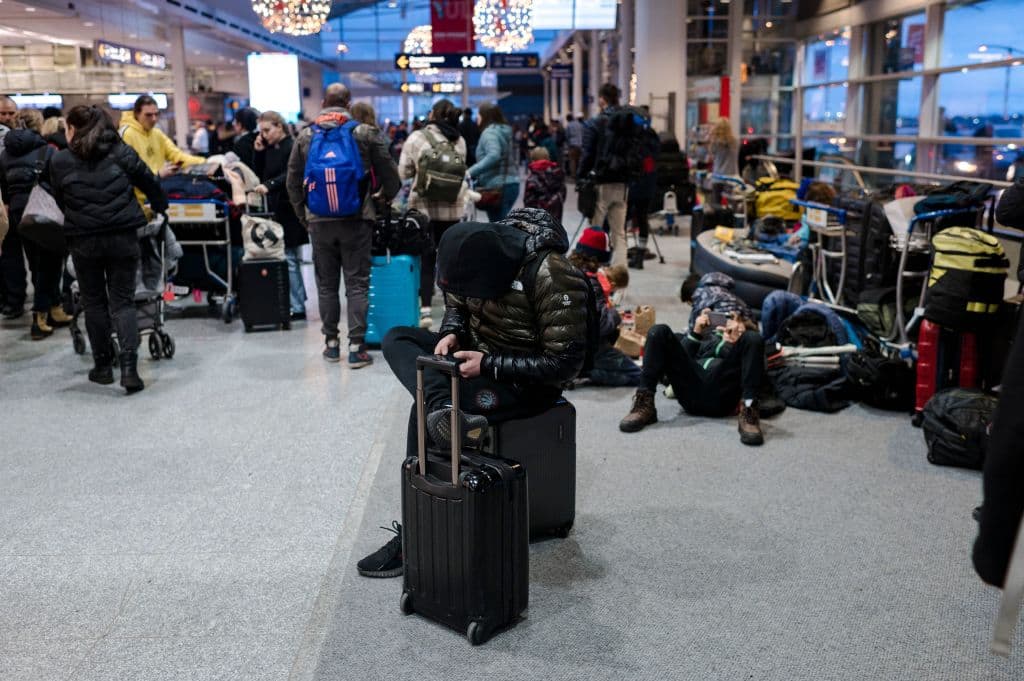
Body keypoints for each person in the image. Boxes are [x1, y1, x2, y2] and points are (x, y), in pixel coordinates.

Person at [356, 208, 590, 578]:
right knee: (397, 338)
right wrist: (451, 331)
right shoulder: (475, 252)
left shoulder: (552, 274)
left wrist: (489, 365)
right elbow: (457, 304)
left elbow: (565, 365)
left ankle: (417, 534)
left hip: (524, 384)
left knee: (421, 412)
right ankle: (445, 408)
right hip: (474, 359)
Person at [49, 105, 168, 394]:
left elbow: (58, 196)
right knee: (123, 302)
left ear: (74, 128)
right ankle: (129, 370)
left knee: (93, 303)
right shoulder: (121, 151)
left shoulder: (61, 160)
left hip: (84, 240)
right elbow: (151, 183)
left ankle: (103, 367)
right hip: (122, 237)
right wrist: (159, 207)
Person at [286, 85, 401, 368]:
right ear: (348, 104)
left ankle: (331, 344)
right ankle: (357, 347)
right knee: (357, 283)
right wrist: (381, 200)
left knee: (325, 286)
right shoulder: (363, 133)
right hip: (357, 220)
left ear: (323, 102)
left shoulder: (305, 135)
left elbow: (292, 182)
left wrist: (305, 216)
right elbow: (392, 178)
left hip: (319, 222)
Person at [618, 308, 766, 446]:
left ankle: (749, 412)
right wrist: (696, 333)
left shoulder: (745, 345)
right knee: (658, 331)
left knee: (753, 338)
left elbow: (757, 371)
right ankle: (644, 405)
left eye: (737, 326)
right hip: (691, 388)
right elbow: (676, 364)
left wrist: (734, 342)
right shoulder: (706, 339)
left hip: (724, 392)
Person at [397, 99, 470, 329]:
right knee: (449, 259)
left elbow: (403, 172)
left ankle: (426, 310)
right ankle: (454, 309)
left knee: (426, 259)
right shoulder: (460, 140)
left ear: (433, 115)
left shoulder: (417, 138)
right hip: (453, 208)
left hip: (424, 209)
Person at [0, 109, 71, 337]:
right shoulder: (47, 151)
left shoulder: (6, 155)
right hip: (43, 212)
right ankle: (39, 317)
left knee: (35, 264)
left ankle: (53, 308)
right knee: (50, 264)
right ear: (39, 125)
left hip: (19, 214)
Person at [253, 110, 308, 321]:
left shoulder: (292, 146)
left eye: (267, 130)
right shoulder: (269, 148)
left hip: (290, 210)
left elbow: (291, 174)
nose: (264, 135)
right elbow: (261, 175)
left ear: (279, 126)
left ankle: (297, 305)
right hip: (277, 210)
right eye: (262, 131)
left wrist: (270, 185)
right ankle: (297, 300)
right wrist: (258, 152)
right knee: (287, 257)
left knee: (291, 258)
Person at [579, 83, 631, 267]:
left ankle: (592, 275)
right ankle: (620, 274)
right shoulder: (628, 122)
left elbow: (587, 154)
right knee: (619, 233)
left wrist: (580, 176)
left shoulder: (597, 122)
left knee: (594, 231)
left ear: (602, 98)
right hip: (623, 183)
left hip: (600, 182)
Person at [118, 95, 205, 196]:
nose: (154, 119)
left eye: (156, 114)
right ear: (137, 114)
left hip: (157, 192)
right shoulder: (127, 134)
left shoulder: (157, 133)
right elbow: (129, 173)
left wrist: (205, 162)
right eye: (148, 115)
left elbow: (177, 156)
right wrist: (158, 174)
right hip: (138, 200)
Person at [468, 102, 519, 222]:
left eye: (479, 115)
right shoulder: (504, 131)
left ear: (485, 116)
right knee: (502, 225)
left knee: (498, 229)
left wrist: (470, 172)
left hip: (497, 186)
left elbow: (494, 155)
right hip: (512, 183)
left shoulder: (489, 133)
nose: (477, 118)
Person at [626, 124, 661, 269]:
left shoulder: (631, 139)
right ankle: (640, 256)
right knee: (642, 219)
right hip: (649, 184)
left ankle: (620, 255)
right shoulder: (653, 137)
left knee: (623, 219)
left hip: (633, 184)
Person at [679, 272, 752, 333]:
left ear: (690, 297)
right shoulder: (724, 291)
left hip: (724, 332)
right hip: (745, 327)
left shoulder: (701, 295)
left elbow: (693, 325)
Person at [523, 146, 566, 224]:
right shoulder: (558, 174)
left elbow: (528, 202)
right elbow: (562, 195)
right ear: (548, 157)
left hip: (537, 221)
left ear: (533, 159)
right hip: (555, 219)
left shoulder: (532, 178)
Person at [707, 117, 739, 204]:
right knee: (731, 203)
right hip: (732, 177)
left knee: (716, 203)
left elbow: (711, 157)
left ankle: (717, 217)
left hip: (718, 177)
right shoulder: (735, 142)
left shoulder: (715, 142)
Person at [565, 113, 584, 179]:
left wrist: (568, 145)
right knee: (579, 160)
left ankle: (573, 175)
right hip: (581, 145)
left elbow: (567, 136)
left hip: (573, 145)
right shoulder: (579, 124)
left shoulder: (569, 125)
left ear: (567, 119)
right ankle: (580, 174)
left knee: (572, 161)